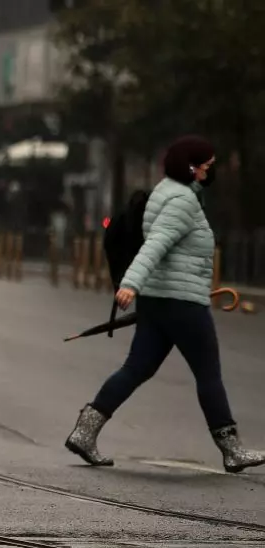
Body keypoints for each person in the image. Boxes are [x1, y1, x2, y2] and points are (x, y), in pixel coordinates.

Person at [65, 135, 265, 473]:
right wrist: (130, 283)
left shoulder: (164, 191)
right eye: (208, 165)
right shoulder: (182, 201)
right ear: (193, 167)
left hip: (158, 301)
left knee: (136, 368)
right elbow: (156, 243)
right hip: (181, 303)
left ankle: (85, 432)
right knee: (208, 374)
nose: (210, 171)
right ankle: (232, 450)